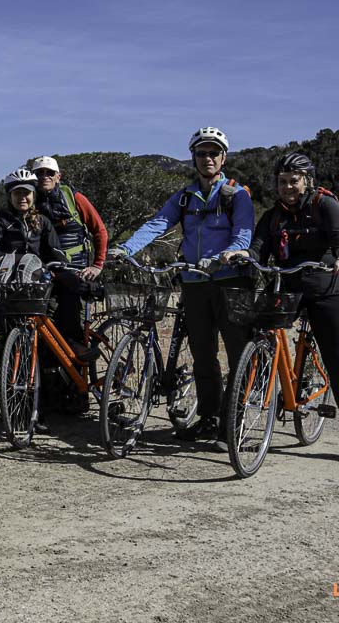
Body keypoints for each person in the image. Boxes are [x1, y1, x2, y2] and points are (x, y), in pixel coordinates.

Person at [109, 126, 254, 449]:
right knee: (203, 356)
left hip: (231, 282)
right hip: (194, 283)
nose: (207, 158)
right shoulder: (185, 197)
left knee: (238, 354)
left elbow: (243, 236)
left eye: (213, 152)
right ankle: (210, 418)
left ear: (224, 157)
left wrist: (224, 257)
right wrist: (125, 248)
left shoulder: (237, 194)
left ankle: (235, 422)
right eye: (201, 153)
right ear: (194, 158)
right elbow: (158, 222)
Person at [225, 152, 339, 464]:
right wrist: (243, 256)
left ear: (307, 181)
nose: (288, 186)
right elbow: (259, 247)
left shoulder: (324, 205)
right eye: (282, 182)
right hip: (290, 287)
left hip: (331, 288)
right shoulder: (274, 215)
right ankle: (257, 391)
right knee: (259, 331)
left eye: (294, 181)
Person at [0, 167, 75, 431]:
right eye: (17, 193)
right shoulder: (1, 220)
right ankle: (12, 407)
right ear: (10, 196)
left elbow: (54, 249)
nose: (23, 197)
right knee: (14, 352)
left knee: (44, 351)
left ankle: (41, 410)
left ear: (33, 195)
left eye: (27, 193)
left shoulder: (42, 221)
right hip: (11, 293)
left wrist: (60, 266)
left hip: (38, 292)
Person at [26, 155, 109, 346]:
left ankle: (77, 373)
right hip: (45, 273)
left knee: (71, 328)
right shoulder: (29, 201)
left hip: (76, 271)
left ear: (58, 176)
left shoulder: (74, 198)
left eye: (50, 173)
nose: (44, 176)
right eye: (39, 173)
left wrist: (97, 266)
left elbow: (100, 231)